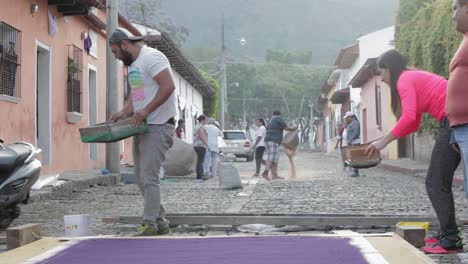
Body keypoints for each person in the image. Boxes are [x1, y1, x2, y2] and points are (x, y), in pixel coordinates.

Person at [365, 49, 462, 254]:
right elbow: (413, 123)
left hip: (452, 120)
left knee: (435, 182)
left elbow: (408, 118)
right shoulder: (410, 76)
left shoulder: (404, 79)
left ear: (388, 69)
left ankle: (451, 239)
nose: (382, 79)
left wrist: (383, 142)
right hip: (452, 120)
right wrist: (382, 140)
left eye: (381, 73)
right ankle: (448, 235)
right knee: (438, 181)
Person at [108, 28, 176, 236]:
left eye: (115, 52)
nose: (116, 57)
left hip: (159, 125)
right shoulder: (134, 66)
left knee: (149, 177)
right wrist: (122, 113)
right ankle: (160, 221)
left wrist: (147, 110)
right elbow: (136, 97)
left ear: (125, 44)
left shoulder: (152, 57)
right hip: (143, 126)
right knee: (140, 177)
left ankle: (149, 224)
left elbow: (168, 86)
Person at [261, 110, 297, 180]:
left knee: (275, 159)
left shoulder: (271, 121)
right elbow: (286, 127)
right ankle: (265, 173)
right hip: (273, 141)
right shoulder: (278, 118)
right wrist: (294, 128)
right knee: (271, 158)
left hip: (267, 141)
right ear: (279, 114)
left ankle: (274, 175)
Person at [344, 112, 360, 177]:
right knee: (353, 157)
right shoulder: (352, 123)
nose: (346, 119)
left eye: (347, 118)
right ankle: (355, 171)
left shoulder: (355, 123)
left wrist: (350, 139)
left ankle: (356, 172)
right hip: (352, 142)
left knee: (355, 157)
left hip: (355, 142)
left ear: (351, 117)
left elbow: (356, 132)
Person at [193, 115, 209, 180]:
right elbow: (202, 137)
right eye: (206, 120)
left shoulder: (196, 126)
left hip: (196, 145)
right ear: (202, 120)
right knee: (200, 161)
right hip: (200, 145)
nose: (206, 121)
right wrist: (207, 145)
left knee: (199, 160)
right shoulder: (200, 127)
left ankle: (199, 174)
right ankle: (200, 175)